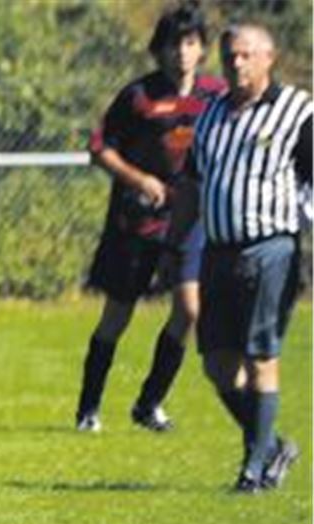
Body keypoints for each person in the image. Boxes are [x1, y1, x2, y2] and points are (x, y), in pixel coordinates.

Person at [167, 23, 310, 492]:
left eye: (247, 55)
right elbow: (191, 183)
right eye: (230, 56)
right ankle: (271, 447)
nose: (237, 64)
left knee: (260, 357)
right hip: (219, 251)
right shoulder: (208, 116)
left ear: (270, 58)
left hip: (271, 248)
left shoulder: (298, 111)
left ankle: (252, 471)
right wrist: (173, 242)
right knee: (218, 364)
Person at [75, 1, 225, 433]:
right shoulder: (138, 97)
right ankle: (89, 409)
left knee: (190, 310)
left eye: (191, 42)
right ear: (159, 50)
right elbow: (99, 148)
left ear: (202, 49)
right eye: (174, 43)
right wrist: (139, 180)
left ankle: (149, 403)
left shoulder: (214, 97)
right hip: (137, 223)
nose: (182, 52)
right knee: (117, 315)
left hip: (190, 222)